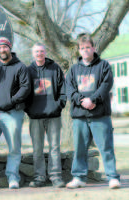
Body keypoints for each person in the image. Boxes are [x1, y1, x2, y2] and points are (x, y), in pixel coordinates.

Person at [66, 33, 121, 189]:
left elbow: (106, 85)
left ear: (93, 48)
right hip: (79, 117)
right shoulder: (73, 69)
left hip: (100, 115)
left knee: (106, 147)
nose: (85, 50)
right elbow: (69, 89)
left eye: (88, 47)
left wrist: (93, 100)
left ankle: (112, 177)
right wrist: (81, 100)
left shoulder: (103, 66)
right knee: (79, 149)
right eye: (82, 48)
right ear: (79, 50)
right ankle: (78, 178)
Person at [0, 37, 30, 189]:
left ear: (10, 48)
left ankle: (13, 177)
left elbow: (25, 87)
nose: (2, 50)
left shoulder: (20, 67)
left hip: (13, 113)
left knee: (14, 147)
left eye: (5, 47)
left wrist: (11, 100)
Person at [25, 43, 66, 188]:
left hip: (54, 115)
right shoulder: (28, 70)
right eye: (36, 51)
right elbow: (24, 91)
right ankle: (39, 177)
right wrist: (28, 109)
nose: (39, 54)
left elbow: (63, 88)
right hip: (35, 116)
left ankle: (56, 177)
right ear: (33, 53)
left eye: (42, 51)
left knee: (54, 147)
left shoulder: (55, 68)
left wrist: (60, 104)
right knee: (37, 148)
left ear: (45, 52)